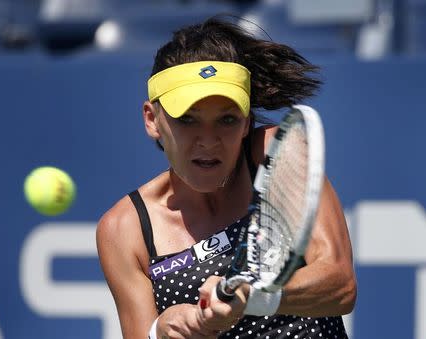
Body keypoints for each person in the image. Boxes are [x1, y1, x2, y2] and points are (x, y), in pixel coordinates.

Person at [96, 15, 357, 339]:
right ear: (152, 119)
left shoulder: (276, 156)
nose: (208, 140)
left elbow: (340, 284)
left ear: (247, 122)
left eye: (227, 119)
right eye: (188, 119)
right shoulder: (125, 227)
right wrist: (159, 332)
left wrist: (254, 295)